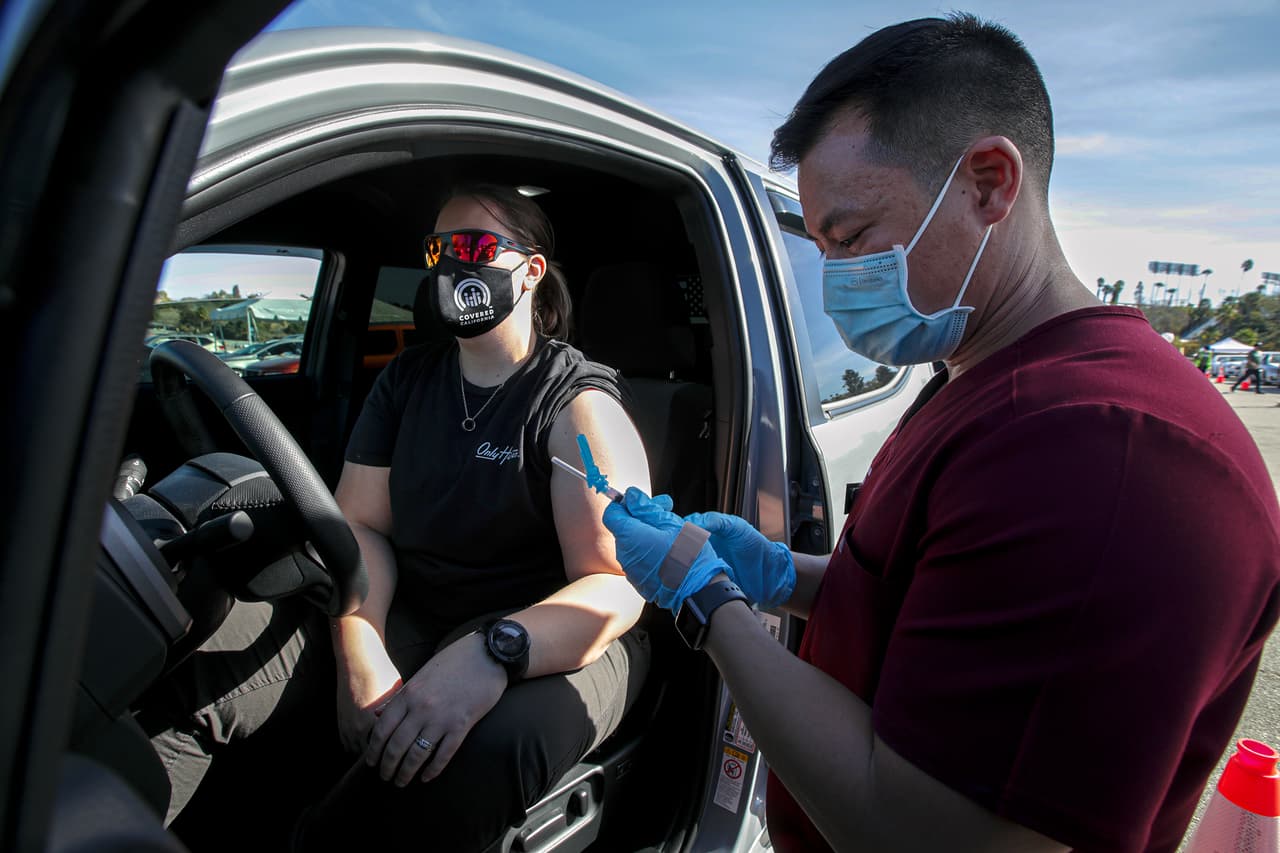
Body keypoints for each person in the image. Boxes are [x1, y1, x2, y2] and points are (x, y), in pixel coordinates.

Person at [602, 15, 1280, 853]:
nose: (842, 279)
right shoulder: (978, 377)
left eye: (851, 239)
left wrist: (710, 601)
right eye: (822, 248)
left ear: (990, 182)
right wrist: (786, 577)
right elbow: (929, 605)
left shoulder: (1109, 455)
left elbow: (931, 833)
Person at [145, 183, 652, 852]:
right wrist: (359, 641)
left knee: (458, 758)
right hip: (421, 608)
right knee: (203, 670)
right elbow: (362, 529)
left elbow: (617, 585)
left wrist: (492, 652)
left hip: (563, 634)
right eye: (438, 250)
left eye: (473, 247)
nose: (450, 267)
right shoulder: (408, 380)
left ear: (530, 271)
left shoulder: (577, 404)